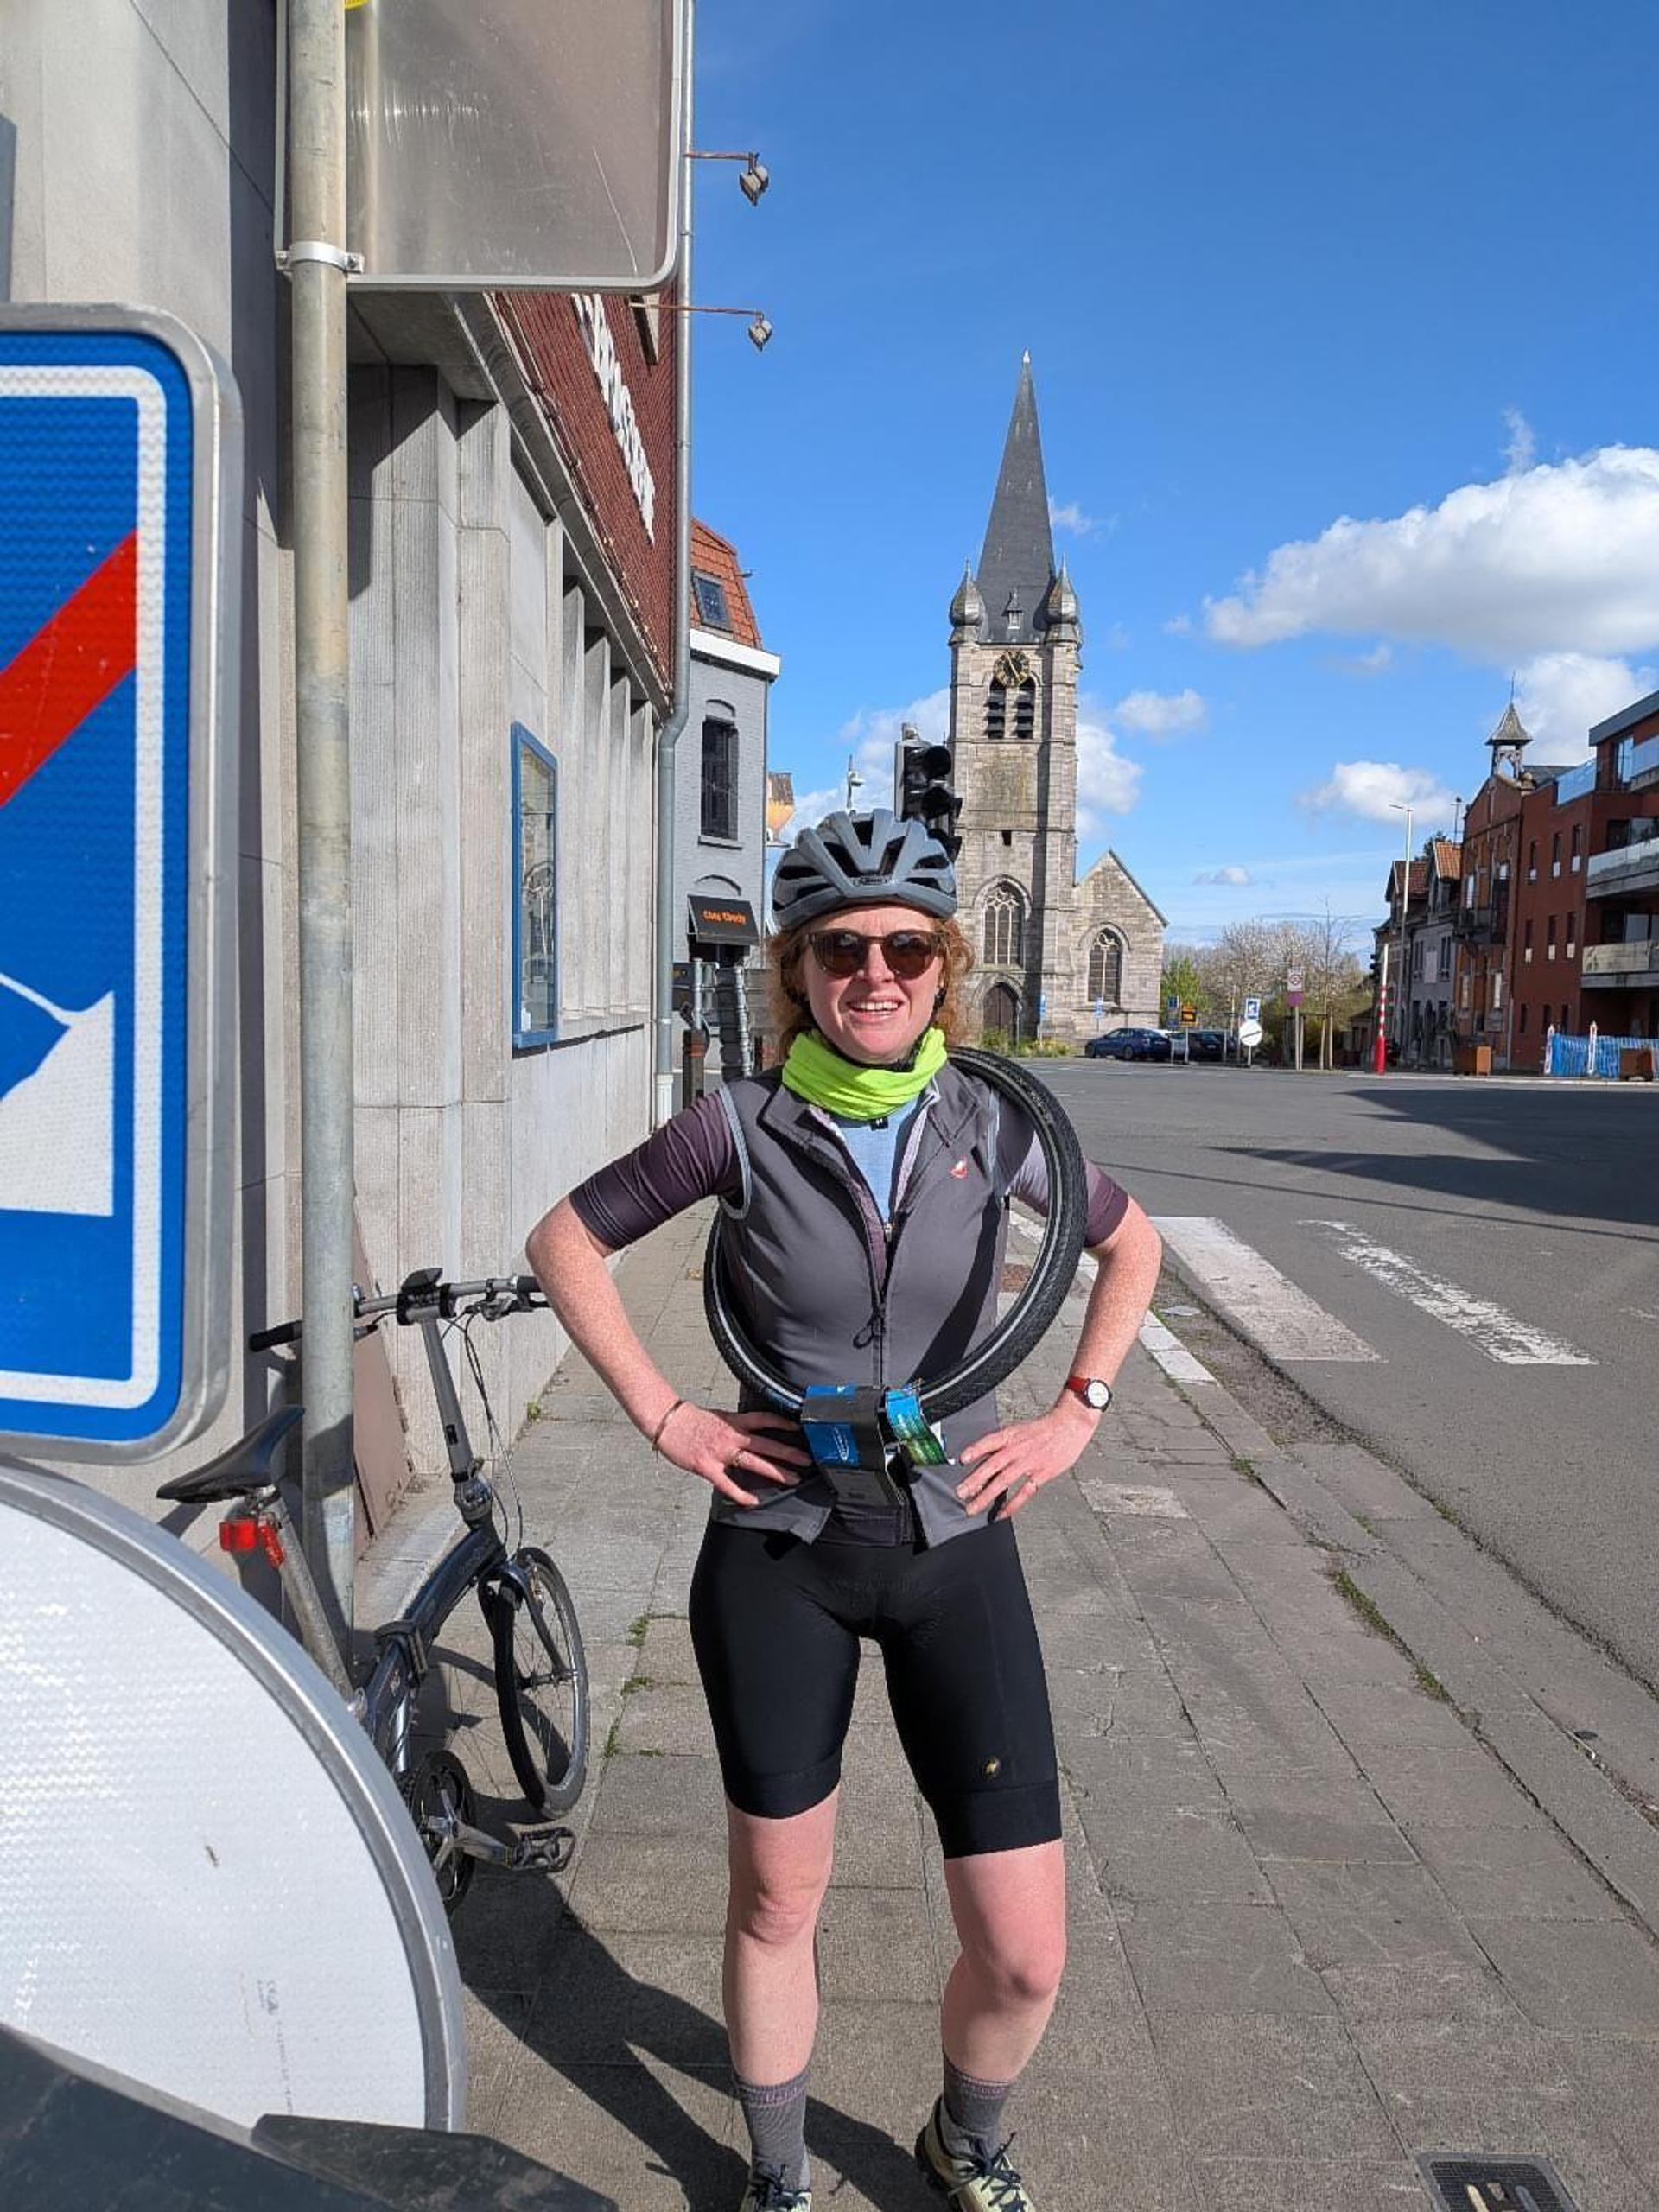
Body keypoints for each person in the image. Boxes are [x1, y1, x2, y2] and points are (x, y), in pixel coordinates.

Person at [526, 810, 1162, 2212]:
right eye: (839, 950)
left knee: (1024, 1947)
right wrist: (668, 1414)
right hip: (782, 1550)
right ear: (798, 973)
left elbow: (1133, 1245)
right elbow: (566, 1241)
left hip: (954, 1545)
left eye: (904, 948)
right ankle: (774, 2176)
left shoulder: (998, 1125)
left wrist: (1077, 1415)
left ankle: (967, 2136)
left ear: (942, 966)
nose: (875, 973)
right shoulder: (735, 1127)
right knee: (776, 1902)